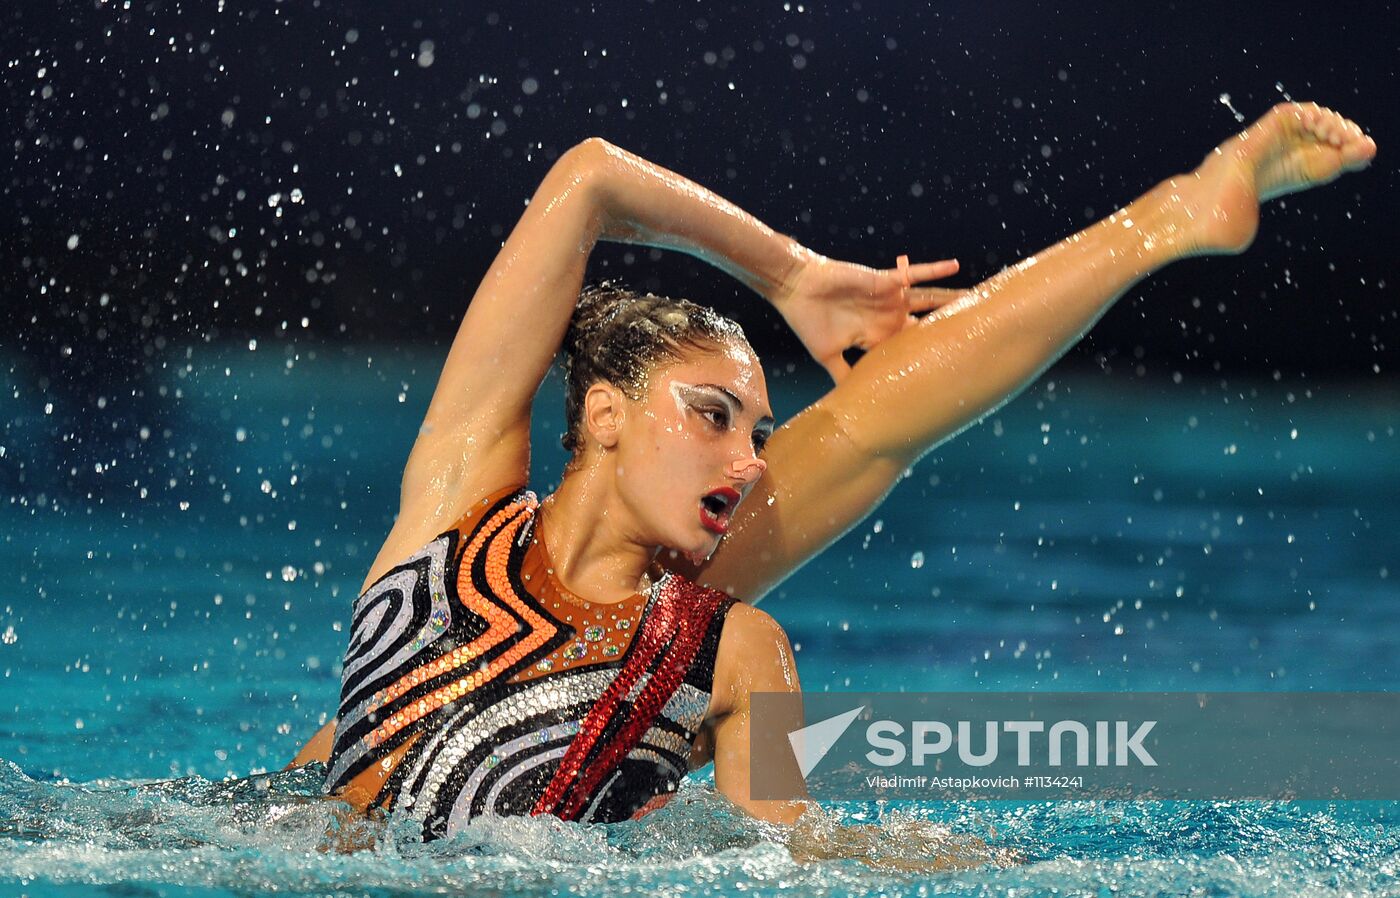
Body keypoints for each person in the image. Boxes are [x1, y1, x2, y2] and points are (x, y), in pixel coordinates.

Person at [292, 103, 1375, 848]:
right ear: (605, 414)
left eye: (755, 429)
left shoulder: (721, 648)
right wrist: (789, 272)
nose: (746, 456)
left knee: (864, 431)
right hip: (277, 831)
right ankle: (1172, 216)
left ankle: (1172, 216)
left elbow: (784, 859)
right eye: (711, 415)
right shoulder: (453, 511)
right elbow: (587, 177)